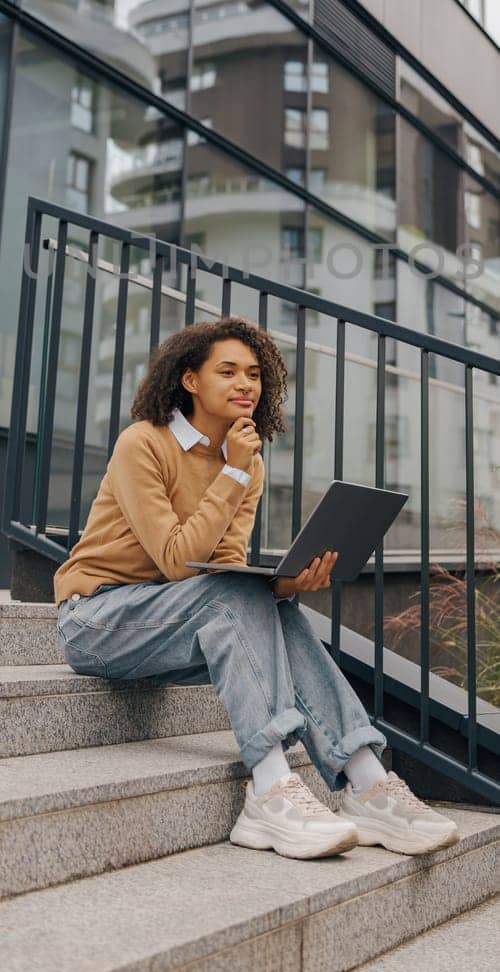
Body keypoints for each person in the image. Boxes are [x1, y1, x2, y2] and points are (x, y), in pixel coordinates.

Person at [54, 316, 459, 861]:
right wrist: (233, 475)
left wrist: (289, 583)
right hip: (97, 621)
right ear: (190, 380)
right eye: (227, 371)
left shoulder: (246, 462)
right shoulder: (144, 444)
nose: (246, 383)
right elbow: (177, 561)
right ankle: (270, 788)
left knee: (273, 604)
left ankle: (368, 783)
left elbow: (220, 565)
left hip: (174, 624)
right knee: (237, 596)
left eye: (253, 373)